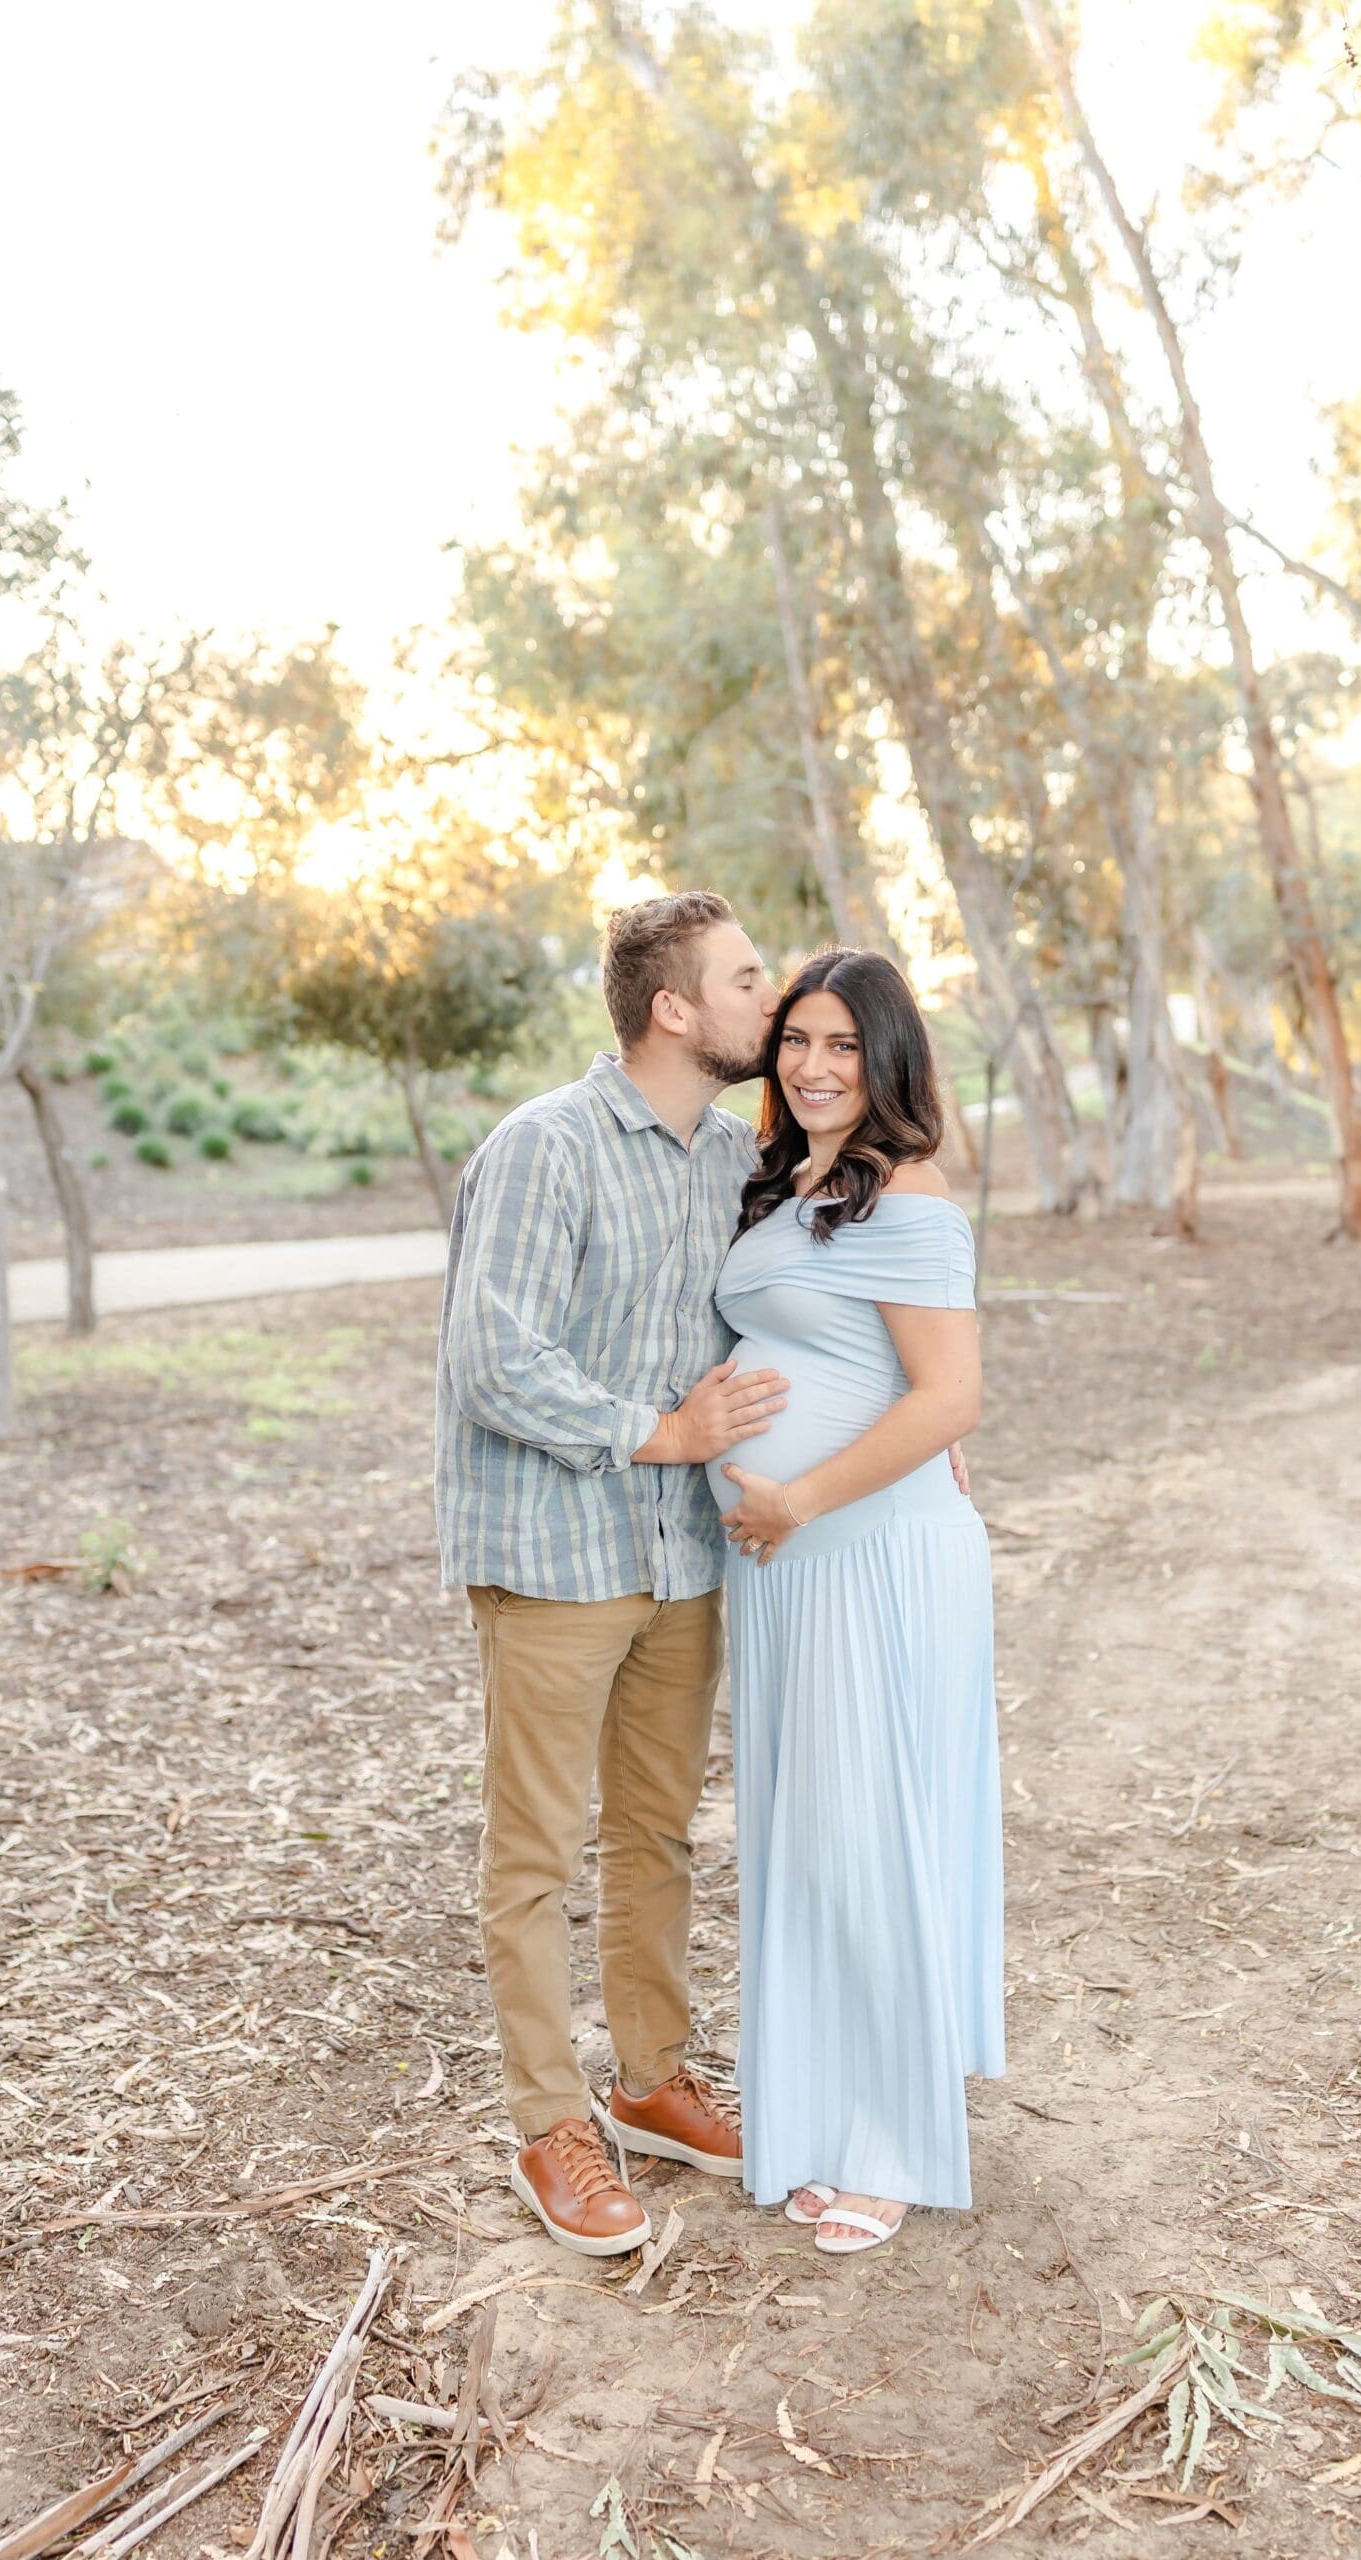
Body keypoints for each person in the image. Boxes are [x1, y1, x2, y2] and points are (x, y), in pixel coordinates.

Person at [434, 891, 782, 2256]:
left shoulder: (728, 1158)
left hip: (681, 1556)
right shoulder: (544, 1148)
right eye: (748, 980)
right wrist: (661, 1433)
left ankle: (648, 2081)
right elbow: (492, 1355)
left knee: (653, 1839)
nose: (772, 998)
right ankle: (549, 2124)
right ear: (674, 1009)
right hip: (555, 1554)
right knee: (530, 1856)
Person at [712, 947, 1004, 2254]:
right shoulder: (790, 1187)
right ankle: (829, 2113)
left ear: (886, 1058)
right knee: (814, 1845)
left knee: (872, 1837)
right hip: (788, 1569)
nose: (815, 1067)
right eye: (796, 1042)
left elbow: (951, 1400)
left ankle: (890, 2140)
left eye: (841, 1044)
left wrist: (803, 1495)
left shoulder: (913, 1198)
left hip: (862, 1555)